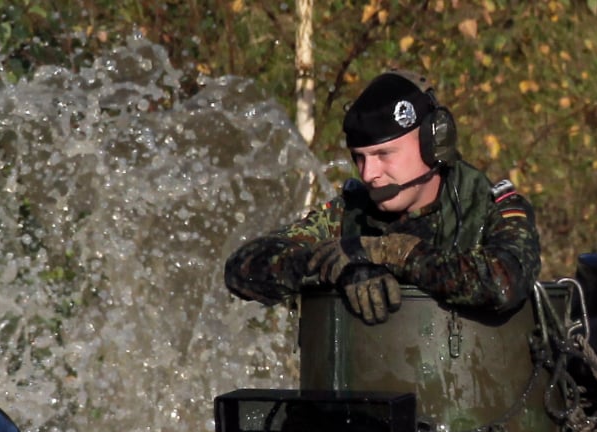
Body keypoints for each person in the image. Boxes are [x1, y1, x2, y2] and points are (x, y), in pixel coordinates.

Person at [225, 72, 542, 325]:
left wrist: (393, 253)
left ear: (435, 144)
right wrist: (332, 266)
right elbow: (243, 268)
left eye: (383, 154)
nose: (368, 174)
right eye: (359, 158)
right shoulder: (352, 214)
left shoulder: (489, 209)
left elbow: (504, 282)